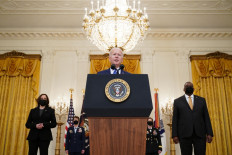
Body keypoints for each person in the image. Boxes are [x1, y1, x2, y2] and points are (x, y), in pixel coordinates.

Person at [172, 82, 213, 155]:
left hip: (200, 134)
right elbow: (175, 119)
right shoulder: (177, 101)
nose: (189, 87)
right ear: (184, 89)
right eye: (187, 86)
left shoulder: (201, 100)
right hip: (184, 134)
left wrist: (209, 133)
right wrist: (174, 135)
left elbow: (206, 117)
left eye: (190, 86)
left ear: (193, 89)